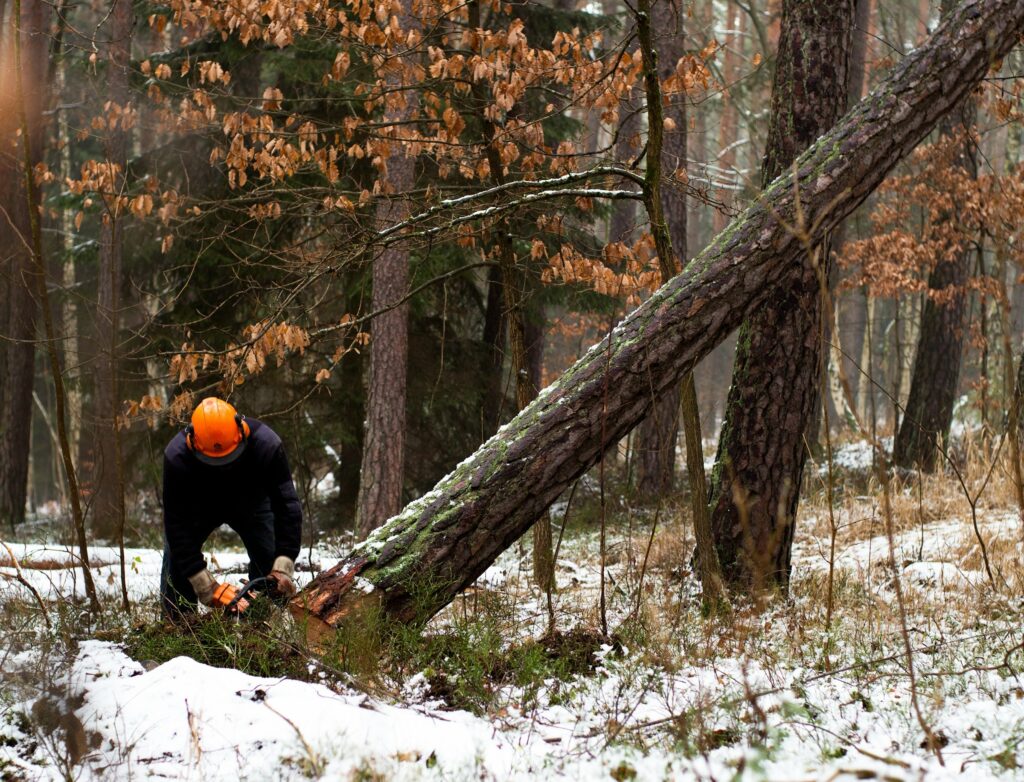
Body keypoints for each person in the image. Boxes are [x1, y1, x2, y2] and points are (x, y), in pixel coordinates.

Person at [160, 397, 302, 619]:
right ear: (192, 443)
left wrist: (284, 563)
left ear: (242, 431)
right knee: (177, 564)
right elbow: (176, 525)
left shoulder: (267, 445)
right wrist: (204, 584)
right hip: (198, 507)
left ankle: (261, 620)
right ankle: (177, 625)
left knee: (270, 558)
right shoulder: (177, 457)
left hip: (252, 502)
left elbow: (287, 507)